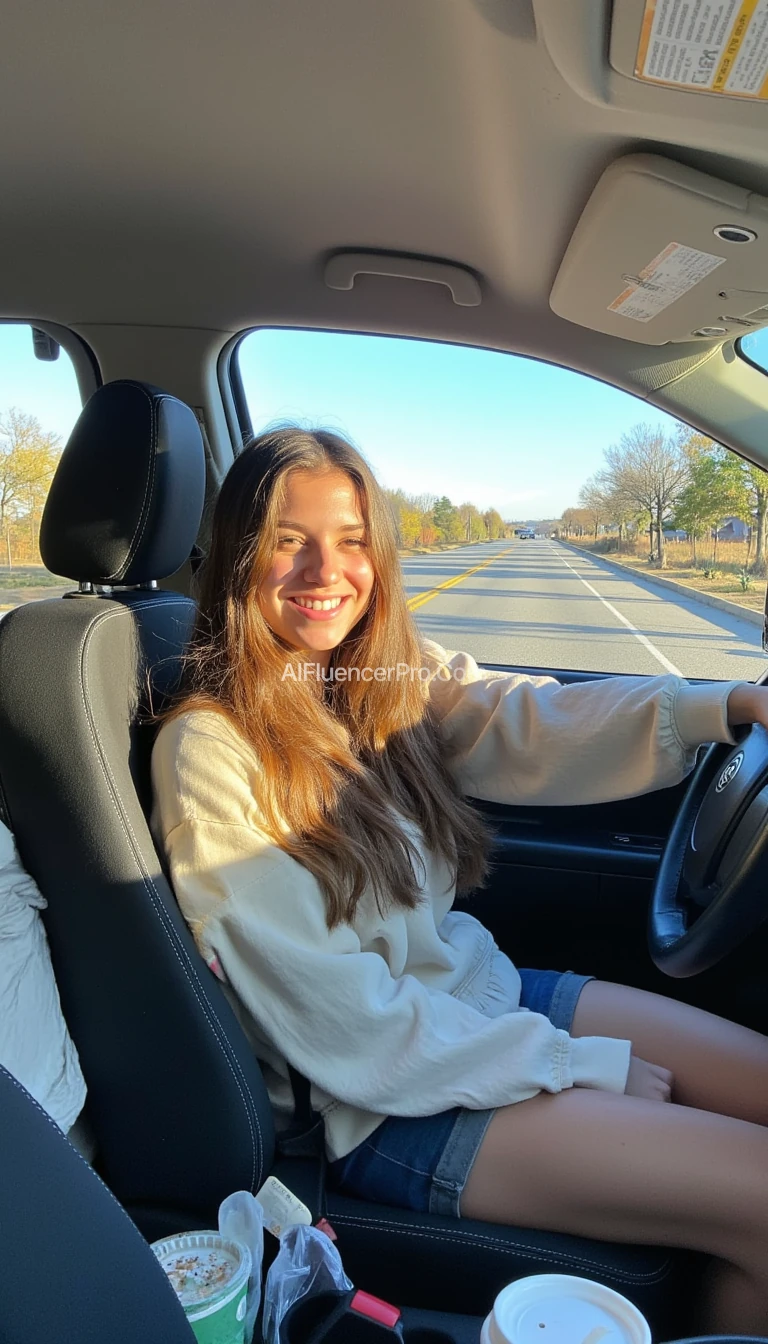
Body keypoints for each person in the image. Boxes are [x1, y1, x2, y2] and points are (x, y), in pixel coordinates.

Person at [151, 428, 768, 1335]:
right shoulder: (208, 750)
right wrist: (570, 1064)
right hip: (389, 1099)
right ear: (241, 552)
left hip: (480, 1001)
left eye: (353, 538)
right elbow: (341, 1021)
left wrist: (727, 705)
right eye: (290, 540)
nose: (327, 569)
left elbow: (522, 714)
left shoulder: (367, 676)